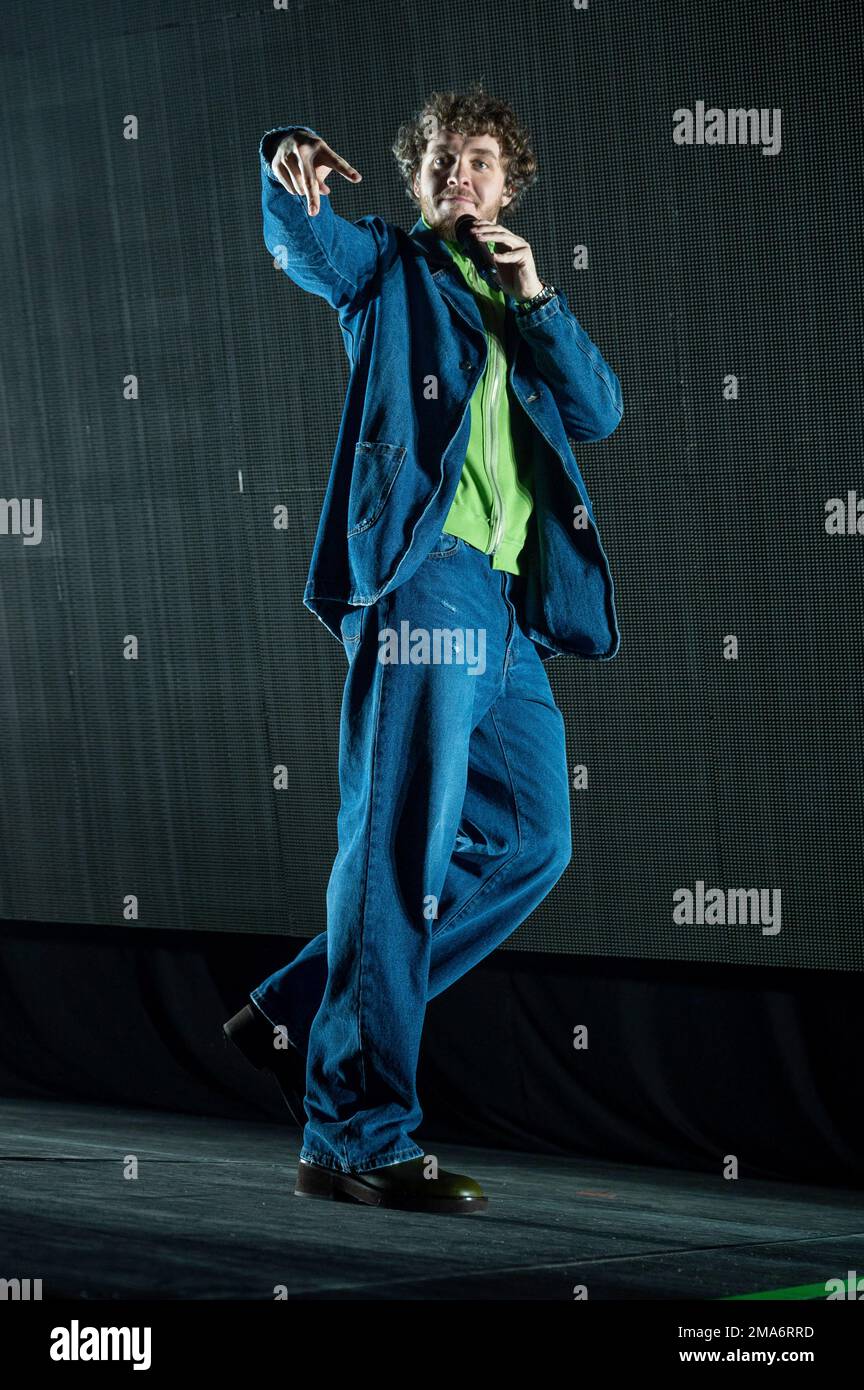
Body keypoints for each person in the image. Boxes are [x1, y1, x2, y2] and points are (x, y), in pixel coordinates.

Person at [224, 82, 623, 1214]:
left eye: (483, 160)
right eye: (445, 159)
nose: (462, 173)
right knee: (403, 850)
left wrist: (534, 295)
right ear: (421, 180)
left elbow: (598, 410)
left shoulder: (516, 305)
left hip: (502, 606)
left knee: (531, 841)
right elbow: (306, 243)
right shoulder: (388, 272)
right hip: (425, 581)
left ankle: (304, 1004)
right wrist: (285, 168)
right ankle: (353, 1133)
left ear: (511, 185)